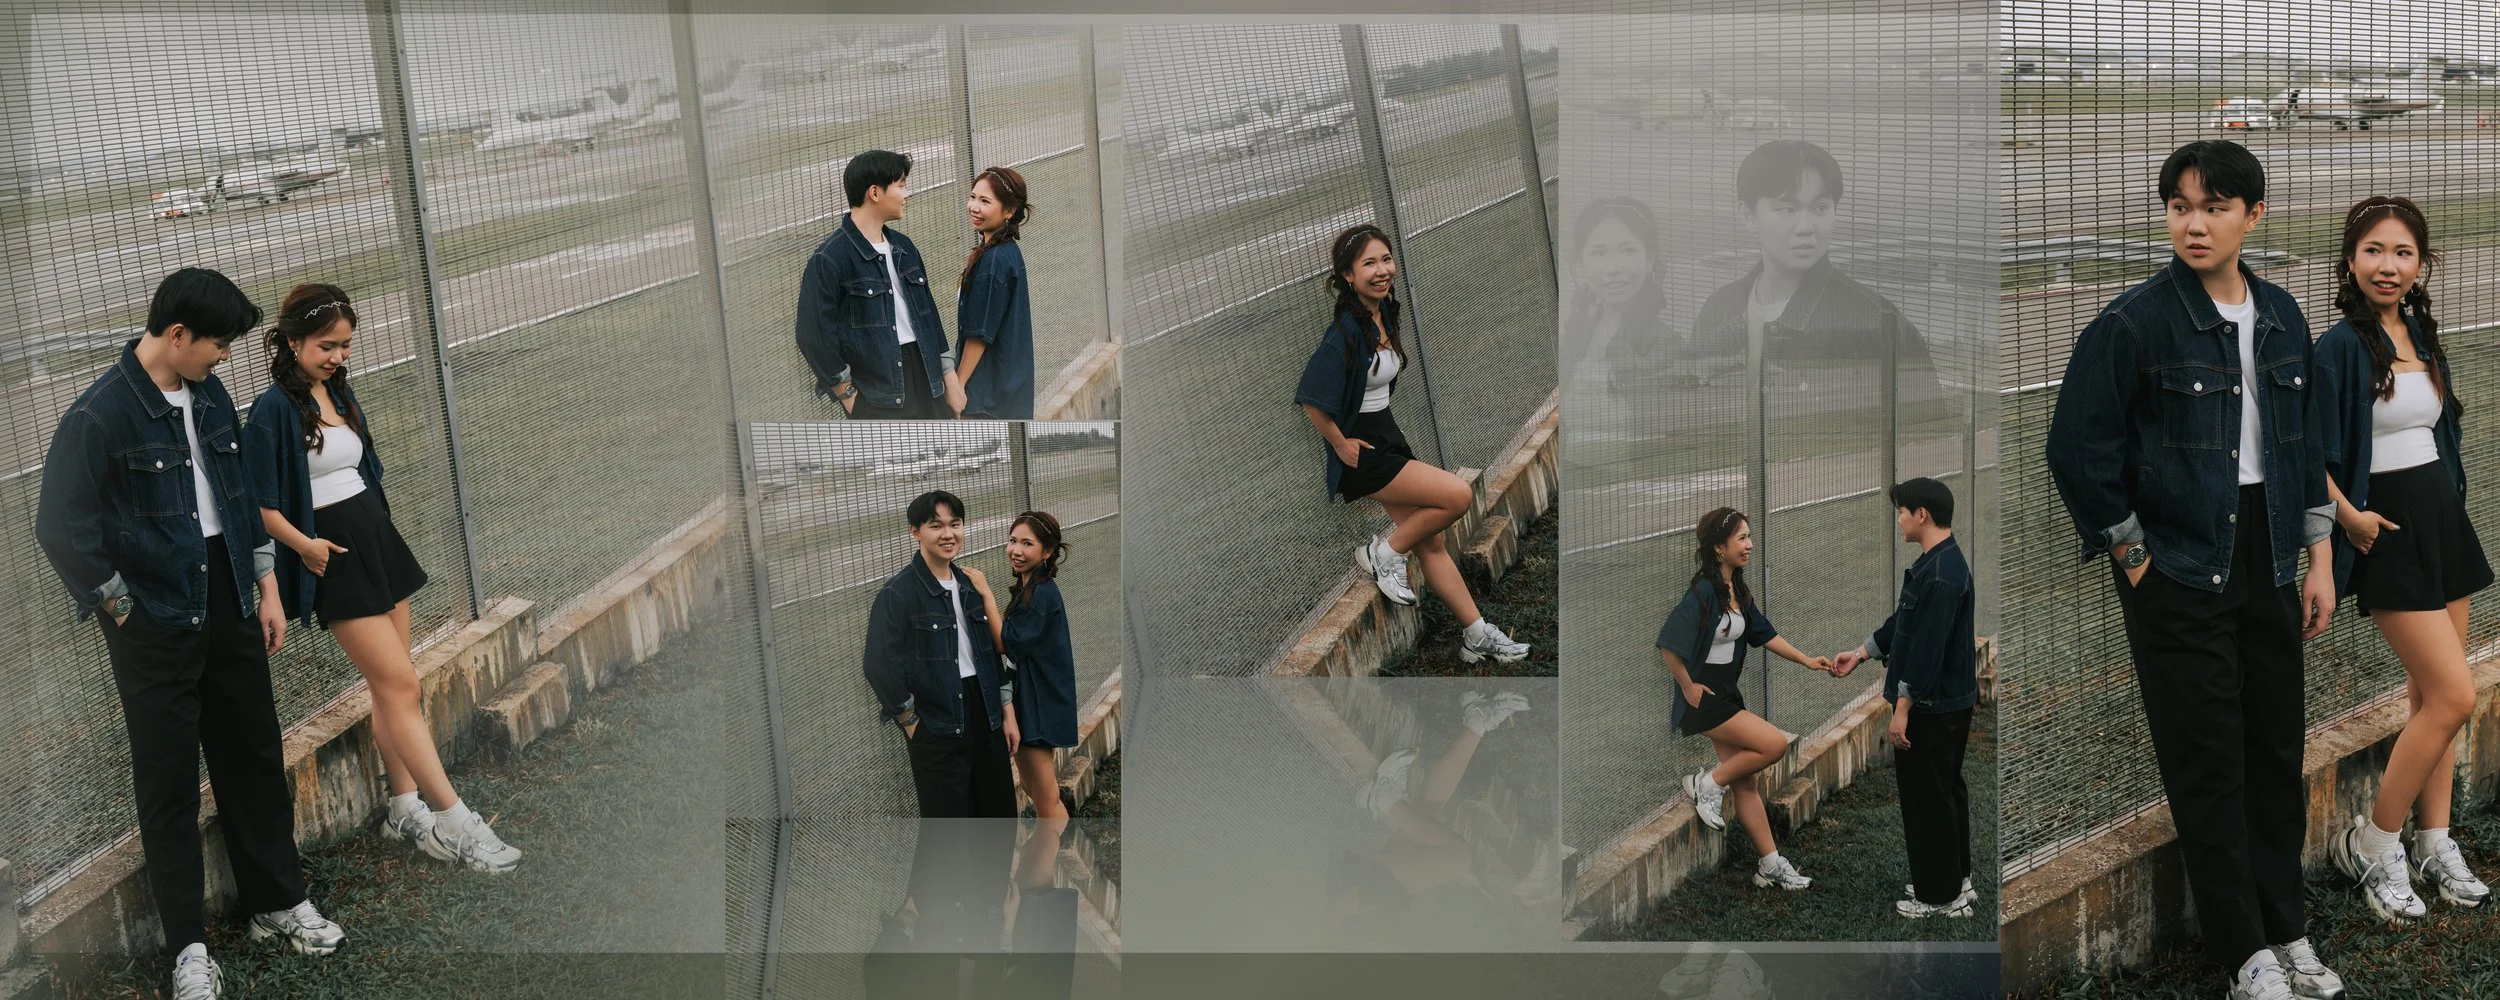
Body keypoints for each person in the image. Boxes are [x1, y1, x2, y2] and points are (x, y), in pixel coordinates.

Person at [2045, 140, 2342, 1000]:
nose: (2194, 223)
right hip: (2178, 567)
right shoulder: (2133, 323)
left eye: (2214, 206)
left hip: (2269, 555)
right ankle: (2245, 953)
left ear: (2254, 215)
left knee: (2274, 749)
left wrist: (2318, 558)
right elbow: (2077, 449)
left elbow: (2304, 447)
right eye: (2180, 206)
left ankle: (2288, 929)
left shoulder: (2282, 313)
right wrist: (2136, 558)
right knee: (2208, 761)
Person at [34, 269, 346, 1000]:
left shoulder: (208, 395)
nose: (226, 356)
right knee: (168, 783)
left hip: (230, 598)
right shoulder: (100, 415)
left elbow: (238, 499)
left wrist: (265, 587)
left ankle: (277, 903)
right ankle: (189, 950)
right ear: (177, 335)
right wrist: (123, 611)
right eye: (218, 343)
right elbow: (61, 526)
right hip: (155, 620)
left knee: (253, 758)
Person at [244, 283, 522, 874]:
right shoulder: (272, 411)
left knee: (392, 688)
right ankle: (455, 822)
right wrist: (306, 548)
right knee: (400, 686)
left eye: (345, 345)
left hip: (377, 541)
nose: (338, 356)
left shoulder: (339, 392)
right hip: (334, 556)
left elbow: (363, 469)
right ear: (292, 342)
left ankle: (403, 808)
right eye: (326, 346)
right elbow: (260, 505)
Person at [2312, 197, 2491, 920]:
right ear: (2351, 260)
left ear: (2422, 264)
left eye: (2403, 252)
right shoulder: (2337, 347)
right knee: (2454, 696)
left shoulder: (2418, 332)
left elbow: (2436, 433)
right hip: (2385, 528)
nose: (2388, 265)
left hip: (2442, 519)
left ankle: (2433, 841)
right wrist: (2348, 516)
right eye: (2374, 250)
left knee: (2430, 701)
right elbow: (2308, 452)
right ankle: (2373, 842)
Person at [1294, 223, 1530, 665]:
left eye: (1386, 259)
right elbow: (1309, 398)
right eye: (1369, 263)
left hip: (1388, 435)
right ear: (1348, 275)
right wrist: (1341, 445)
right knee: (1457, 495)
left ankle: (1477, 635)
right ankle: (1383, 554)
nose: (1382, 270)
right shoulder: (1344, 332)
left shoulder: (1384, 311)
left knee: (1432, 544)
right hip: (1365, 450)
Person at [1658, 508, 1841, 892]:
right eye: (1741, 538)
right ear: (1719, 547)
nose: (1749, 545)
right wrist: (1689, 688)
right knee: (1773, 744)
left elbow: (1765, 634)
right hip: (1705, 697)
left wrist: (1808, 660)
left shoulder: (1737, 589)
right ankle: (1706, 784)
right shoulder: (1703, 591)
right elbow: (1669, 645)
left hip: (1727, 693)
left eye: (1749, 537)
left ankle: (1769, 865)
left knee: (1746, 783)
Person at [1832, 478, 1979, 918]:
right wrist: (1862, 653)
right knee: (1945, 791)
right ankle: (1956, 881)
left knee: (1927, 798)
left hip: (1932, 707)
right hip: (1947, 702)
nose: (1898, 520)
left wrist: (1902, 709)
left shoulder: (1940, 574)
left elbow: (1926, 652)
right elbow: (1905, 622)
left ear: (1922, 515)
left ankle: (1939, 897)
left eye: (1901, 512)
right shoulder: (1939, 562)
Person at [1687, 140, 1932, 392]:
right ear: (1748, 216)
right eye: (1787, 209)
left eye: (1820, 208)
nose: (1805, 228)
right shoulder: (1719, 309)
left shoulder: (1876, 322)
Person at [865, 490, 1017, 817]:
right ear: (915, 531)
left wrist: (1007, 712)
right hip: (937, 723)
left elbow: (990, 657)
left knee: (999, 817)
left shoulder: (969, 584)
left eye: (955, 524)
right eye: (936, 526)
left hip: (987, 715)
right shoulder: (898, 593)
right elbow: (879, 664)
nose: (948, 534)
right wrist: (910, 722)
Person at [797, 149, 967, 419]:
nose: (907, 194)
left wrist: (950, 378)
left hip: (928, 378)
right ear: (875, 193)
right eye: (901, 185)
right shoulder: (829, 259)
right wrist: (848, 396)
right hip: (879, 394)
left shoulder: (905, 247)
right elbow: (812, 335)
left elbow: (930, 317)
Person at [1002, 511, 1080, 830]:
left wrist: (982, 592)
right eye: (1013, 541)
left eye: (1027, 543)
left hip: (1038, 702)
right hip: (1029, 698)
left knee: (1047, 802)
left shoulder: (1042, 594)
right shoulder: (1029, 587)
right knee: (1035, 789)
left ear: (1047, 552)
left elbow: (1007, 642)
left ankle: (1058, 857)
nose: (1016, 550)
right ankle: (1044, 859)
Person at [956, 165, 1036, 420]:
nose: (974, 207)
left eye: (985, 201)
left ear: (1009, 211)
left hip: (987, 399)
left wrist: (958, 386)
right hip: (1010, 390)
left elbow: (979, 335)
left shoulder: (993, 261)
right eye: (973, 197)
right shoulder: (1007, 251)